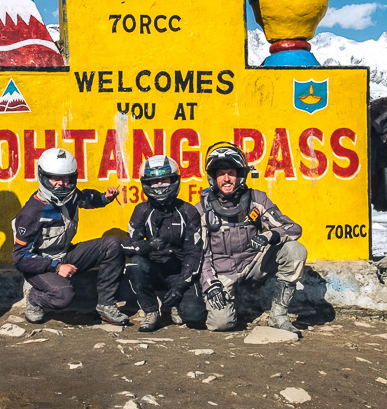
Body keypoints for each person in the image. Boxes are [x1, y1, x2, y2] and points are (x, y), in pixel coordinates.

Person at [196, 142, 307, 333]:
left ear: (240, 175)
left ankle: (278, 316)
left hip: (255, 265)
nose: (226, 179)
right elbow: (201, 254)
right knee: (220, 324)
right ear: (213, 178)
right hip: (223, 274)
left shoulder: (257, 199)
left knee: (295, 250)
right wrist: (210, 284)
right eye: (221, 174)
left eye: (231, 173)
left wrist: (270, 235)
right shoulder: (201, 209)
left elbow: (293, 228)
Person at [9, 147, 127, 325]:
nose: (61, 184)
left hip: (64, 253)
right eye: (54, 178)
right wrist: (56, 267)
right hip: (40, 264)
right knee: (62, 295)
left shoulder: (71, 196)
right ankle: (35, 298)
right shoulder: (31, 212)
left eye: (66, 179)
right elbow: (19, 258)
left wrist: (106, 197)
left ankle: (106, 305)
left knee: (113, 244)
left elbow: (87, 198)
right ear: (43, 177)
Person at [125, 155, 206, 332]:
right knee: (134, 264)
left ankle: (175, 302)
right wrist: (147, 246)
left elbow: (194, 252)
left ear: (174, 181)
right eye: (155, 181)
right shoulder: (141, 210)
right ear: (147, 184)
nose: (160, 185)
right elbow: (128, 246)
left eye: (164, 180)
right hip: (154, 270)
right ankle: (151, 310)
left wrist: (181, 285)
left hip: (180, 271)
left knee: (194, 315)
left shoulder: (188, 211)